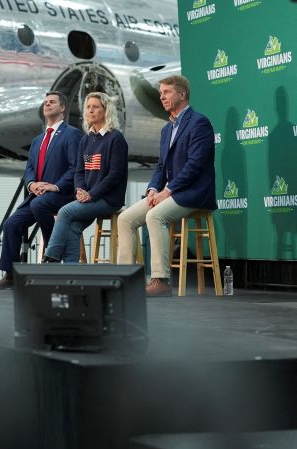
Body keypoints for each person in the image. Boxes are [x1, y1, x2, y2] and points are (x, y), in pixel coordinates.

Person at [116, 75, 216, 296]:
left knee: (155, 216)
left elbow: (195, 165)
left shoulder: (199, 123)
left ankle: (160, 280)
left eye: (167, 92)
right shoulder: (166, 130)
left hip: (194, 192)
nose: (162, 97)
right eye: (160, 93)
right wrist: (153, 189)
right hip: (170, 192)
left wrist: (167, 191)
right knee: (125, 219)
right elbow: (161, 166)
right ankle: (125, 279)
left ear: (182, 94)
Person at [0, 91, 83, 290]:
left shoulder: (72, 134)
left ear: (63, 108)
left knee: (40, 205)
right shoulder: (38, 140)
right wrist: (31, 185)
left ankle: (52, 254)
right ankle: (10, 275)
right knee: (11, 224)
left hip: (62, 194)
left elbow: (75, 168)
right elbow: (29, 169)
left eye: (52, 102)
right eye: (45, 102)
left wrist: (55, 186)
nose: (47, 104)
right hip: (38, 195)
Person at [42, 92, 128, 263]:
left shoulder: (115, 138)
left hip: (108, 199)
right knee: (73, 228)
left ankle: (51, 257)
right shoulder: (86, 139)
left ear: (106, 110)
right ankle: (72, 270)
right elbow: (79, 171)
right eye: (88, 107)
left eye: (95, 107)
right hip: (88, 198)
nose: (90, 110)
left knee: (64, 211)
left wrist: (92, 194)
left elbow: (115, 175)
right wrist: (80, 191)